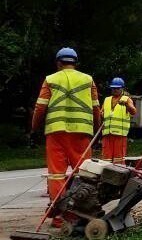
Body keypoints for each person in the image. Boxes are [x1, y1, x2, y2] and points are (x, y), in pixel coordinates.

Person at [31, 47, 101, 227]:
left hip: (56, 133)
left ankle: (59, 216)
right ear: (75, 63)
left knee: (56, 174)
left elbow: (40, 108)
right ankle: (80, 213)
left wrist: (34, 127)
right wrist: (96, 128)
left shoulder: (51, 79)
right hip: (82, 134)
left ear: (58, 63)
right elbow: (95, 108)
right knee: (84, 174)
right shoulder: (88, 80)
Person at [101, 77, 137, 164]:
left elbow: (133, 111)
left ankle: (118, 175)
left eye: (117, 88)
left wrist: (127, 105)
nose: (115, 90)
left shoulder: (126, 99)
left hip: (120, 135)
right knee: (106, 159)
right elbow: (101, 112)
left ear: (122, 88)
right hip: (107, 134)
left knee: (118, 159)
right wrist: (101, 114)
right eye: (113, 88)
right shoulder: (107, 99)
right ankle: (106, 174)